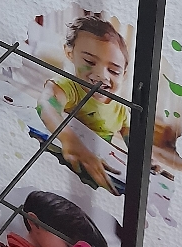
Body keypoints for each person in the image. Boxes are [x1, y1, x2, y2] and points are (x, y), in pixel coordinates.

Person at [37, 13, 131, 191]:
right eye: (89, 61)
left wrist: (148, 162)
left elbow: (134, 143)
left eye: (113, 71)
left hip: (97, 170)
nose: (101, 75)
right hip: (62, 162)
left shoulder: (120, 110)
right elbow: (46, 105)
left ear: (124, 75)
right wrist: (70, 140)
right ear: (70, 53)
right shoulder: (68, 86)